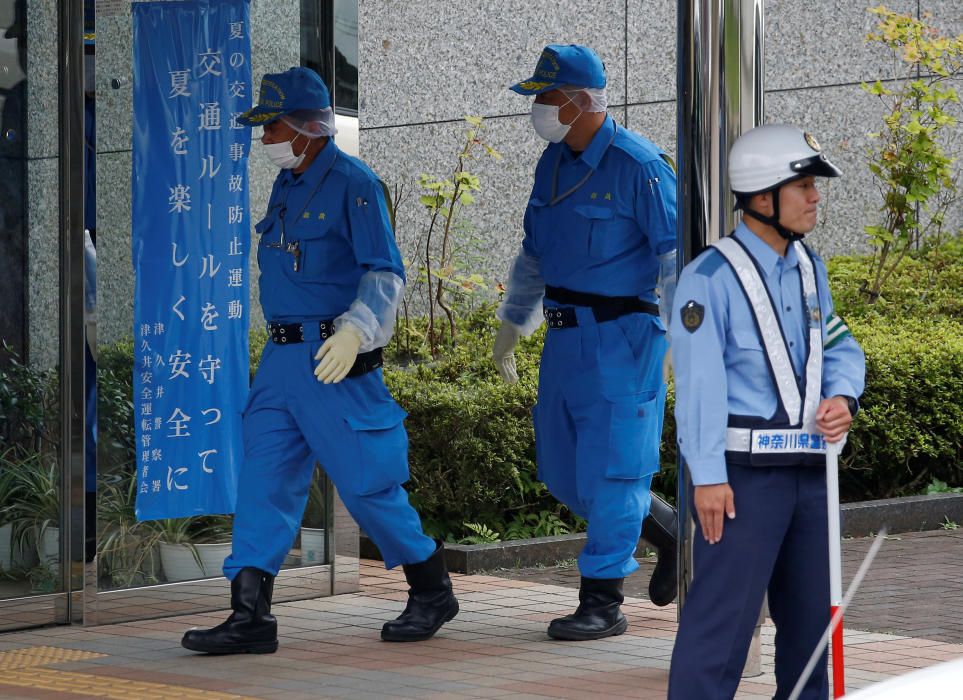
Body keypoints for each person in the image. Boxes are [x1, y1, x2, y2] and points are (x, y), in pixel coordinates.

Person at [182, 67, 458, 655]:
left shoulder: (355, 184)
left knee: (367, 486)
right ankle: (250, 614)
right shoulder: (289, 183)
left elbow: (384, 271)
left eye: (273, 127)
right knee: (263, 483)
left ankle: (430, 584)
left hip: (333, 359)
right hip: (281, 361)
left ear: (307, 129)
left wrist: (357, 332)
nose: (265, 141)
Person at [667, 124, 866, 699]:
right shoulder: (708, 279)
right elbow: (700, 387)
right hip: (740, 483)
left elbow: (838, 347)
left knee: (811, 632)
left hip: (811, 474)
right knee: (720, 630)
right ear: (761, 196)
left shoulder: (809, 268)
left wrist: (843, 398)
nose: (815, 197)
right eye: (803, 185)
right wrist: (706, 478)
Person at [492, 44, 680, 641]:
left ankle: (602, 600)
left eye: (545, 99)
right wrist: (512, 321)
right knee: (563, 471)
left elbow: (676, 260)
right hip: (564, 338)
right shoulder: (552, 163)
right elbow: (534, 253)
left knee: (618, 472)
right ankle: (672, 533)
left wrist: (683, 340)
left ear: (576, 102)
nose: (538, 110)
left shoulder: (640, 165)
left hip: (623, 339)